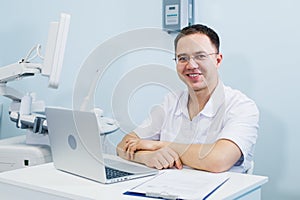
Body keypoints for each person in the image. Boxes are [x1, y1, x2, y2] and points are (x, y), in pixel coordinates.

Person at [116, 24, 259, 173]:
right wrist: (147, 157)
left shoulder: (241, 106)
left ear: (218, 60)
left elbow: (219, 160)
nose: (191, 65)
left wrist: (160, 145)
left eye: (201, 56)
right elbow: (123, 146)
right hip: (167, 188)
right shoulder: (171, 102)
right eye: (182, 58)